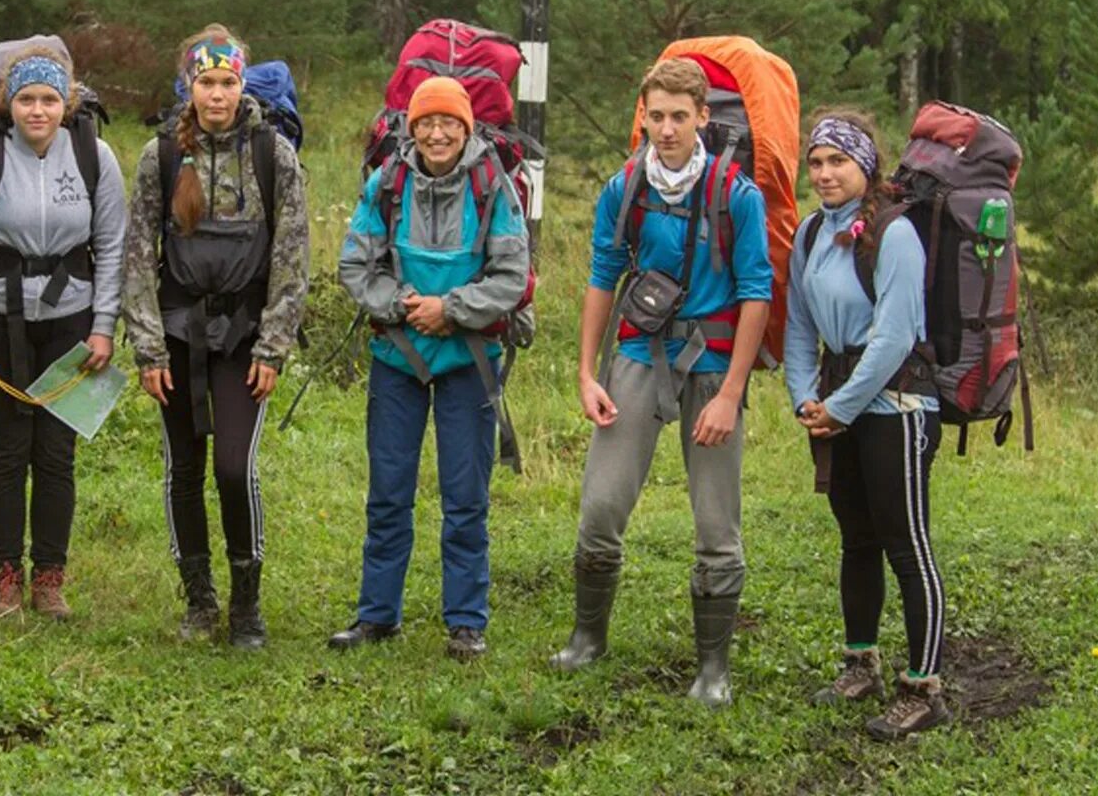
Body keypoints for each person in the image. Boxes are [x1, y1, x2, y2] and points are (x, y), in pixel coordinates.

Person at [550, 56, 771, 706]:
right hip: (638, 355)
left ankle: (713, 670)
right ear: (642, 117)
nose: (667, 129)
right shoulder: (626, 189)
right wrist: (587, 373)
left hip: (711, 364)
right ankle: (588, 638)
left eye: (680, 116)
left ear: (703, 117)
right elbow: (602, 275)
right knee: (600, 508)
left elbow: (757, 293)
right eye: (656, 117)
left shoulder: (736, 194)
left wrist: (731, 394)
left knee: (715, 524)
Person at [121, 25, 308, 650]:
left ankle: (245, 603)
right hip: (176, 335)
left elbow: (292, 254)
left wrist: (274, 346)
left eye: (228, 82)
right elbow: (137, 256)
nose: (218, 94)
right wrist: (148, 346)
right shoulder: (161, 156)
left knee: (233, 467)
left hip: (246, 337)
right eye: (206, 82)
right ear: (189, 86)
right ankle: (199, 601)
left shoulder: (272, 154)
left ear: (242, 83)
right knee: (183, 468)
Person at [330, 76, 529, 661]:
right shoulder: (387, 183)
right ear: (411, 128)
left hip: (470, 361)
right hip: (398, 357)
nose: (437, 133)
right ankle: (377, 616)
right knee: (388, 491)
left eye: (448, 122)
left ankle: (466, 623)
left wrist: (452, 310)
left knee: (466, 495)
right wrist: (402, 307)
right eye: (426, 122)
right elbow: (355, 263)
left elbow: (512, 276)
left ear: (466, 128)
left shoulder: (494, 186)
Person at [0, 45, 126, 620]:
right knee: (6, 452)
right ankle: (5, 580)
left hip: (72, 319)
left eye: (49, 99)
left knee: (56, 454)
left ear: (66, 103)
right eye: (27, 99)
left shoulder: (95, 157)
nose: (38, 110)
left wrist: (103, 328)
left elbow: (114, 246)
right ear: (9, 102)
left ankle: (50, 579)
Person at [786, 109, 951, 739]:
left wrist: (841, 407)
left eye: (838, 162)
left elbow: (894, 337)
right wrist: (806, 399)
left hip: (899, 408)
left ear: (866, 166)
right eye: (818, 163)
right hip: (837, 409)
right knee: (857, 539)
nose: (825, 173)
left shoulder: (894, 234)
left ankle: (925, 688)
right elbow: (799, 326)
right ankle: (861, 664)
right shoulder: (809, 235)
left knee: (906, 544)